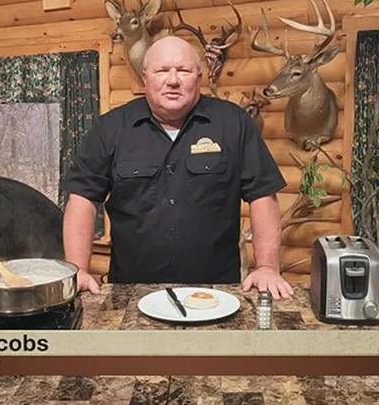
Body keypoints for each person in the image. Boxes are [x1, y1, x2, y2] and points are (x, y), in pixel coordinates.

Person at [63, 36, 294, 299]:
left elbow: (262, 195)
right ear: (145, 77)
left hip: (217, 292)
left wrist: (267, 267)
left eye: (183, 70)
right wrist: (78, 269)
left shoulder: (234, 123)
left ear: (199, 76)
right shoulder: (111, 129)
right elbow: (83, 198)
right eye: (162, 70)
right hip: (131, 293)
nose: (173, 80)